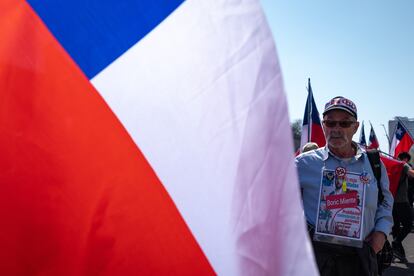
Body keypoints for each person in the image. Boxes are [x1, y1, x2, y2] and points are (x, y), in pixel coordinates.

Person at [295, 96, 393, 276]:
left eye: (345, 124)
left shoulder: (373, 164)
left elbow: (386, 202)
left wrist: (381, 232)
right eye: (331, 123)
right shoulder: (302, 164)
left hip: (361, 257)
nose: (337, 129)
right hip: (317, 258)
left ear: (355, 127)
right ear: (324, 126)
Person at [392, 152, 414, 262]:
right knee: (408, 224)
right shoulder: (403, 165)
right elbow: (411, 173)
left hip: (391, 202)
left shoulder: (391, 165)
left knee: (396, 227)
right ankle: (396, 243)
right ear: (405, 159)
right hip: (402, 201)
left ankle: (398, 253)